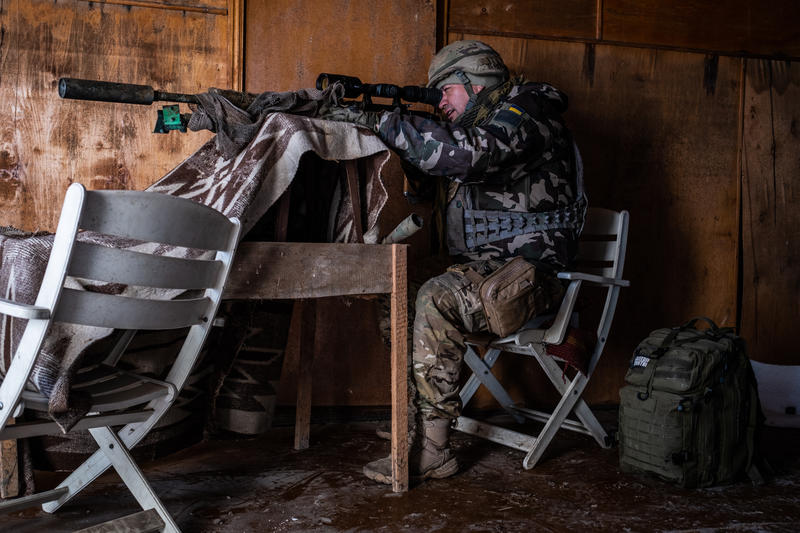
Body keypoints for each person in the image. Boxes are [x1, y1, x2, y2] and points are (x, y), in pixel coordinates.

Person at [318, 40, 586, 484]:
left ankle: (435, 450)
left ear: (478, 82)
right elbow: (440, 179)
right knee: (396, 283)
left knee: (435, 298)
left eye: (447, 91)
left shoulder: (529, 111)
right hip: (487, 273)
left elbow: (472, 153)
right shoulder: (486, 123)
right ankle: (414, 420)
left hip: (532, 278)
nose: (441, 102)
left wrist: (385, 123)